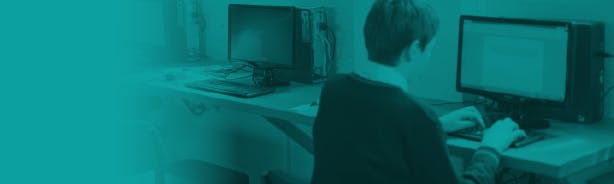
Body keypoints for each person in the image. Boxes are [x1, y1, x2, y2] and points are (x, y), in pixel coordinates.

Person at [311, 0, 526, 183]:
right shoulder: (417, 115)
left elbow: (376, 144)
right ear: (414, 49)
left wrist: (438, 126)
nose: (429, 57)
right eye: (430, 48)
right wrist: (491, 147)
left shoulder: (334, 89)